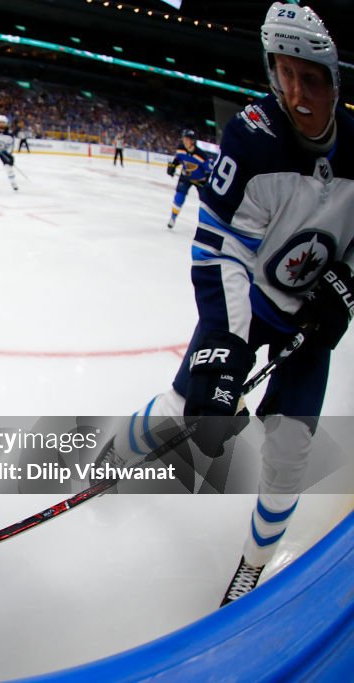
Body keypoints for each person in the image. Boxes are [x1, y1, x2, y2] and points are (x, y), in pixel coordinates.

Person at [98, 2, 351, 607]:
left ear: (333, 79)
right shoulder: (252, 137)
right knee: (184, 404)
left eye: (309, 77)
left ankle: (253, 566)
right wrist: (227, 348)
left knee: (289, 456)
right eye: (283, 74)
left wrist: (344, 286)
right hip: (250, 304)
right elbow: (220, 247)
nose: (295, 92)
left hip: (308, 325)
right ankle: (112, 460)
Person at [165, 128, 214, 229]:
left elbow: (209, 171)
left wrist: (207, 182)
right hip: (185, 177)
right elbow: (178, 159)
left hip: (200, 180)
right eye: (184, 139)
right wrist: (173, 166)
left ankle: (206, 224)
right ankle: (173, 218)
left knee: (205, 202)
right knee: (179, 196)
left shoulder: (201, 155)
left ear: (192, 141)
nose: (185, 141)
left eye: (187, 139)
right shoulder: (181, 148)